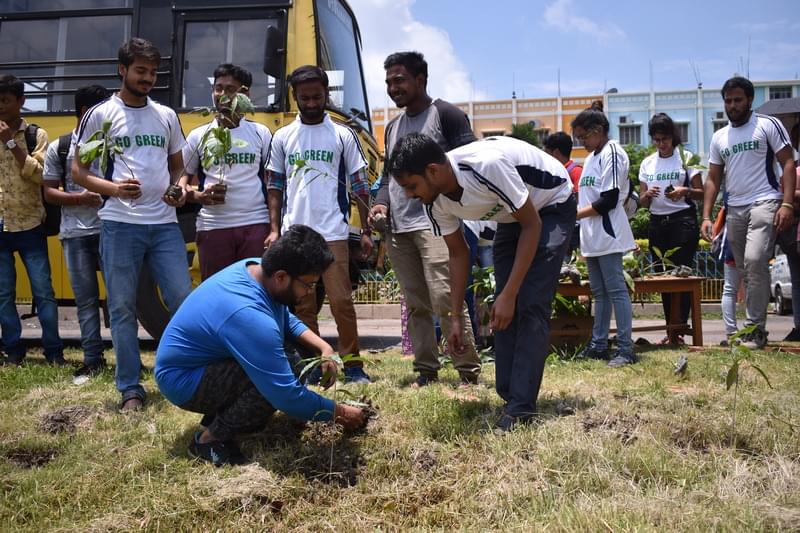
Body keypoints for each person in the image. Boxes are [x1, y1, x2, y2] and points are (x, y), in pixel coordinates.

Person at [387, 133, 576, 432]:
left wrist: (511, 293)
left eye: (412, 186)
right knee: (502, 306)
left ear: (433, 171)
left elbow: (532, 224)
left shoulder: (485, 166)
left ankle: (521, 410)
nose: (409, 195)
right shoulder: (434, 202)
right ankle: (509, 395)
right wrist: (456, 320)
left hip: (551, 204)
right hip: (511, 217)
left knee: (529, 302)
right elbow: (458, 253)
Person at [155, 225, 366, 466]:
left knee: (293, 358)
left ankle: (223, 413)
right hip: (183, 381)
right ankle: (209, 439)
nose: (309, 293)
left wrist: (324, 348)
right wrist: (340, 413)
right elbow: (285, 396)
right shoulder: (248, 315)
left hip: (203, 363)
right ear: (282, 277)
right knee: (271, 384)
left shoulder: (257, 268)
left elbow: (285, 319)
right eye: (308, 285)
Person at [73, 38, 192, 410]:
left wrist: (181, 188)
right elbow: (78, 170)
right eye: (141, 71)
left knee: (182, 301)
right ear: (122, 70)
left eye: (153, 72)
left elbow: (179, 166)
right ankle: (130, 388)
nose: (148, 78)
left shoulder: (166, 115)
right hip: (119, 224)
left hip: (164, 224)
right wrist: (114, 188)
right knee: (122, 307)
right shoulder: (100, 114)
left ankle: (186, 373)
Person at [369, 51, 481, 388]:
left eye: (399, 80)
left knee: (446, 298)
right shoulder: (392, 127)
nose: (393, 88)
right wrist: (380, 205)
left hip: (438, 225)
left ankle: (467, 371)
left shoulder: (446, 115)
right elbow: (389, 177)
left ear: (421, 79)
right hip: (399, 229)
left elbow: (469, 163)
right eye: (389, 82)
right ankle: (426, 370)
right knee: (416, 304)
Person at [265, 65, 373, 384]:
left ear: (327, 93)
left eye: (317, 96)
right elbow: (275, 185)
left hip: (334, 233)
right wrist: (274, 229)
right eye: (304, 97)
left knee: (342, 302)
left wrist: (366, 230)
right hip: (296, 235)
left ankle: (353, 365)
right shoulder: (283, 137)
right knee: (302, 305)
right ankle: (313, 367)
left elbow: (360, 184)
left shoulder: (343, 134)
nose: (311, 102)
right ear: (295, 97)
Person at [701, 76, 796, 349]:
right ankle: (753, 328)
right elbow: (713, 178)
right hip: (735, 208)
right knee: (745, 270)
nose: (732, 105)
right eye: (728, 101)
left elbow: (788, 162)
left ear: (750, 100)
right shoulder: (720, 136)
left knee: (755, 261)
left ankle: (755, 330)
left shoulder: (767, 125)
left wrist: (787, 204)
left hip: (765, 201)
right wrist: (707, 216)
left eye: (738, 100)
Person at [180, 64, 272, 280]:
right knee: (217, 290)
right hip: (213, 226)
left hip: (255, 224)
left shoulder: (261, 134)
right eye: (218, 88)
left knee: (254, 291)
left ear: (245, 94)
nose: (222, 95)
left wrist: (275, 228)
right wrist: (198, 195)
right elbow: (179, 183)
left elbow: (273, 184)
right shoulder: (198, 136)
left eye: (230, 89)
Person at [43, 84, 110, 376]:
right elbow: (49, 193)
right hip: (75, 235)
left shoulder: (115, 144)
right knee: (86, 301)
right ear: (86, 112)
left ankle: (127, 360)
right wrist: (80, 198)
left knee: (121, 298)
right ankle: (93, 359)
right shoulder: (59, 147)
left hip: (113, 231)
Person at [0, 74, 64, 365]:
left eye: (6, 101)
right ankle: (12, 350)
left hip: (30, 225)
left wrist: (11, 144)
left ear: (21, 102)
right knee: (4, 295)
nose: (1, 107)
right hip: (1, 225)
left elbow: (40, 174)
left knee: (44, 293)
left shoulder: (35, 135)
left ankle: (53, 351)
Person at [571, 106, 637, 367]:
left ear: (597, 132)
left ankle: (625, 348)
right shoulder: (590, 159)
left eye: (583, 137)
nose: (582, 142)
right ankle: (599, 345)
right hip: (592, 234)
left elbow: (609, 199)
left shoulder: (612, 152)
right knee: (599, 292)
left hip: (608, 232)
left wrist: (574, 216)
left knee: (616, 290)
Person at [638, 113, 703, 344]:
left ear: (673, 136)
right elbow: (642, 200)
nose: (661, 144)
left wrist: (684, 191)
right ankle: (671, 330)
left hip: (682, 222)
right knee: (664, 278)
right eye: (656, 139)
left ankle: (680, 331)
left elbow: (702, 193)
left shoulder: (686, 158)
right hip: (657, 223)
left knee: (682, 277)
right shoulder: (647, 163)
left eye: (664, 139)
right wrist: (647, 194)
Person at [774, 122, 800, 341]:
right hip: (794, 235)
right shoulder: (791, 168)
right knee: (797, 279)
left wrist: (792, 196)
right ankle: (799, 325)